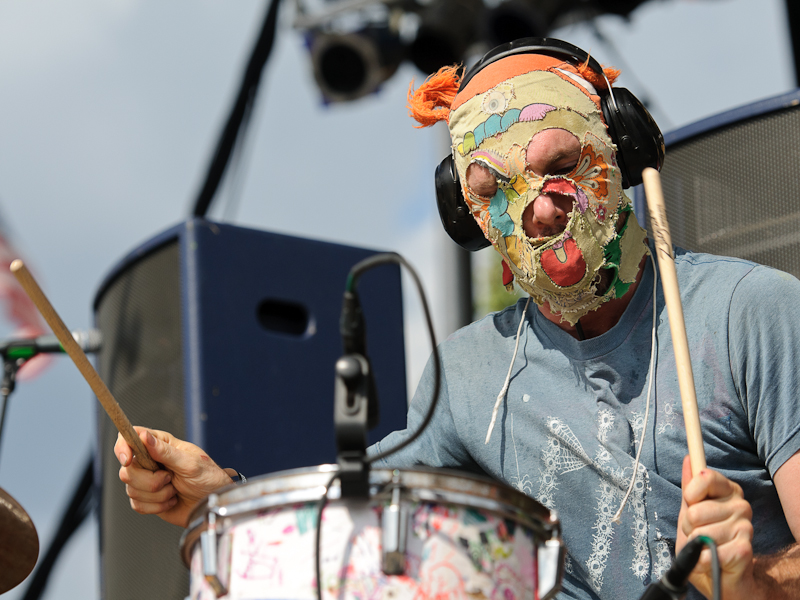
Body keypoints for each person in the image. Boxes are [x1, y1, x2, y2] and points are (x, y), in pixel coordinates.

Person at [115, 39, 800, 599]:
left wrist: (754, 583)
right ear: (466, 217)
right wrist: (221, 497)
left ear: (621, 148)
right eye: (493, 190)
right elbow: (345, 532)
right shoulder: (470, 375)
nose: (538, 210)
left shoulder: (749, 313)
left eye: (562, 164)